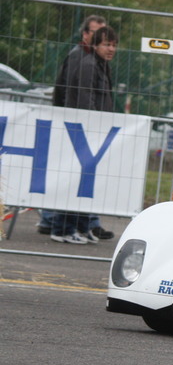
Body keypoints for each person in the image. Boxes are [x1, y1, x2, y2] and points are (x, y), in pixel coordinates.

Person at [40, 15, 109, 237]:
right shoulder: (80, 57)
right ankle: (56, 221)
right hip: (73, 122)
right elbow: (71, 92)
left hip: (78, 121)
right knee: (70, 173)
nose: (101, 39)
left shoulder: (96, 59)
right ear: (85, 34)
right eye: (96, 33)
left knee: (80, 173)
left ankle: (85, 221)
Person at [50, 26, 120, 244]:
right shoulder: (89, 65)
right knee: (74, 180)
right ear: (95, 45)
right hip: (84, 131)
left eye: (114, 45)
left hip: (92, 131)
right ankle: (63, 228)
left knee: (86, 182)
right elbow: (85, 98)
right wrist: (94, 126)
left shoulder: (101, 65)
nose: (111, 49)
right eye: (106, 44)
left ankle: (82, 226)